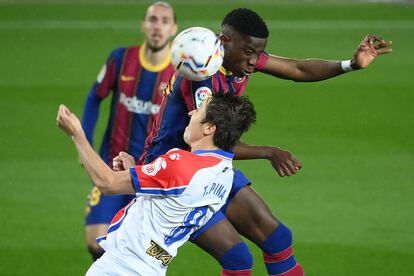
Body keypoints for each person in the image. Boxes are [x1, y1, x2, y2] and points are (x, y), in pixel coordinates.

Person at [135, 8, 392, 276]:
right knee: (238, 258)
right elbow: (211, 141)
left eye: (258, 53)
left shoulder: (235, 56)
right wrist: (269, 152)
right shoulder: (204, 79)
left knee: (277, 238)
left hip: (207, 166)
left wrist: (351, 64)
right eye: (249, 52)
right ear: (224, 42)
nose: (254, 62)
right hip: (173, 175)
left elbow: (297, 68)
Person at [56, 93, 257, 275]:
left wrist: (76, 134)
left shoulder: (181, 163)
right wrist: (136, 172)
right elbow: (171, 204)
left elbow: (107, 183)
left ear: (209, 128)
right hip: (152, 268)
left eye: (200, 109)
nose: (191, 112)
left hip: (120, 268)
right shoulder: (224, 174)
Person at [81, 1, 177, 261]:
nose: (158, 26)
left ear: (173, 29)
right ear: (143, 25)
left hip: (151, 175)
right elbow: (93, 98)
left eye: (164, 21)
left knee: (147, 250)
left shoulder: (179, 73)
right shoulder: (121, 59)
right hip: (112, 167)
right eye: (153, 19)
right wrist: (87, 146)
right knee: (96, 240)